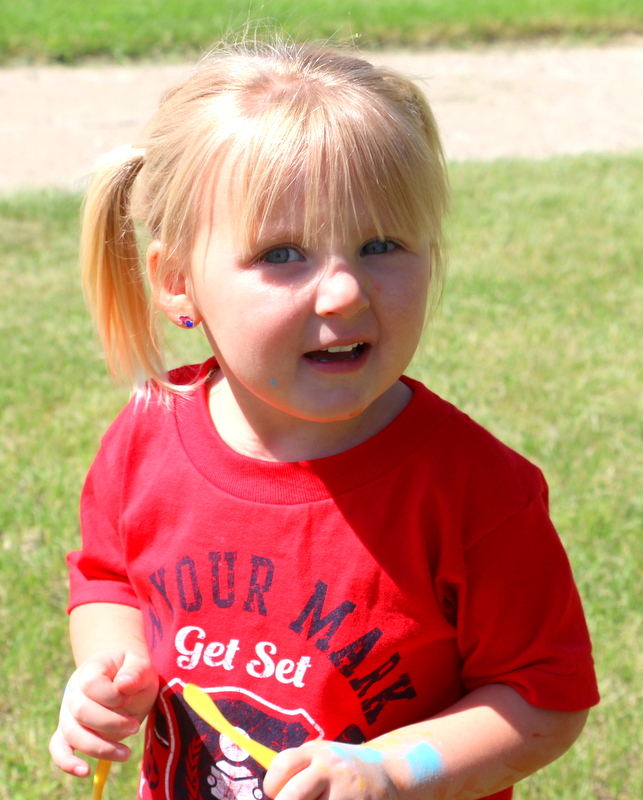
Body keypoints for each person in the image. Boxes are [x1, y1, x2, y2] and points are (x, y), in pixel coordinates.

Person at [49, 38, 599, 800]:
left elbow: (544, 699)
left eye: (380, 245)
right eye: (282, 254)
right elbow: (108, 581)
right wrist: (109, 668)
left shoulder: (473, 494)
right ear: (177, 282)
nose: (343, 292)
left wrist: (394, 769)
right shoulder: (146, 437)